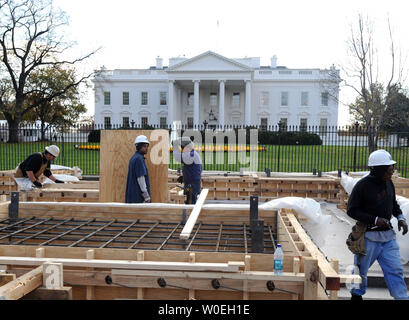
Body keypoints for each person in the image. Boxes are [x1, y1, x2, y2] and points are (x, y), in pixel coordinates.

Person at [347, 149, 409, 300]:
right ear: (378, 169)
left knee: (395, 271)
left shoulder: (388, 183)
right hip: (368, 237)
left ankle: (401, 297)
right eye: (389, 169)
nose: (392, 171)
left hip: (387, 238)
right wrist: (375, 219)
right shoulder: (362, 186)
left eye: (392, 168)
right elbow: (352, 210)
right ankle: (356, 296)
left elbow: (393, 204)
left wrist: (401, 218)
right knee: (360, 272)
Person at [173, 136, 202, 204]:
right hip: (192, 182)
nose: (182, 150)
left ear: (188, 147)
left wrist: (175, 146)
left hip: (192, 184)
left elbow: (177, 157)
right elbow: (193, 169)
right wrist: (185, 177)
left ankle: (190, 214)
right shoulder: (193, 154)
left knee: (190, 203)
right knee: (189, 201)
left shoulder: (191, 155)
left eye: (182, 148)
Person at [125, 135, 151, 203]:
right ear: (139, 147)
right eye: (144, 146)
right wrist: (146, 196)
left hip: (132, 196)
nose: (146, 148)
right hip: (137, 197)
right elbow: (141, 178)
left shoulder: (134, 158)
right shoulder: (139, 159)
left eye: (147, 146)